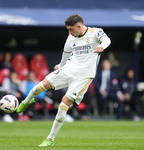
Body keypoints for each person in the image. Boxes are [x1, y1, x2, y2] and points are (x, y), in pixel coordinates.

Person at [16, 14, 111, 146]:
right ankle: (27, 101)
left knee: (64, 102)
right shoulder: (71, 37)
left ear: (79, 26)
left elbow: (107, 39)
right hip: (69, 69)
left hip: (84, 76)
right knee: (41, 86)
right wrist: (60, 65)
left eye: (70, 29)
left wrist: (102, 47)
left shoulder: (95, 32)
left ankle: (50, 139)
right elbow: (66, 53)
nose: (69, 32)